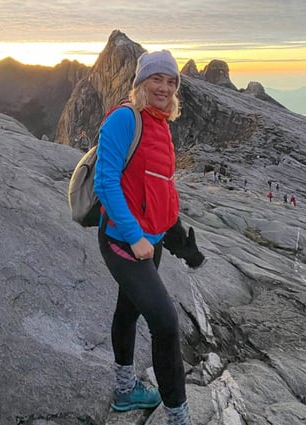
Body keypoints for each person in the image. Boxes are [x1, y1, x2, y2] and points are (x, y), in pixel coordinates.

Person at [94, 50, 205, 425]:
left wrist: (179, 244)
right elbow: (105, 183)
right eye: (157, 79)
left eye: (171, 81)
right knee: (166, 323)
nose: (164, 87)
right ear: (141, 82)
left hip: (151, 241)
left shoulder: (160, 123)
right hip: (123, 242)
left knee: (128, 311)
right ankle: (178, 415)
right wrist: (135, 237)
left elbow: (159, 189)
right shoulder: (125, 119)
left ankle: (124, 392)